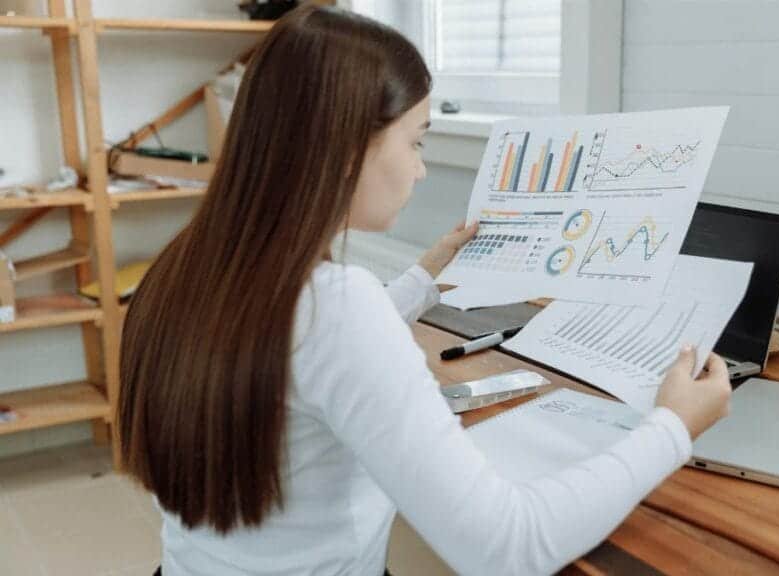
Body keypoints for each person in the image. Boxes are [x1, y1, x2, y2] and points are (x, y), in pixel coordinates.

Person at [117, 5, 732, 575]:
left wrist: (423, 278)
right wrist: (673, 426)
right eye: (416, 140)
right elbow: (507, 548)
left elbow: (293, 359)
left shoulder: (184, 268)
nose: (421, 166)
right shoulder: (335, 305)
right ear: (348, 146)